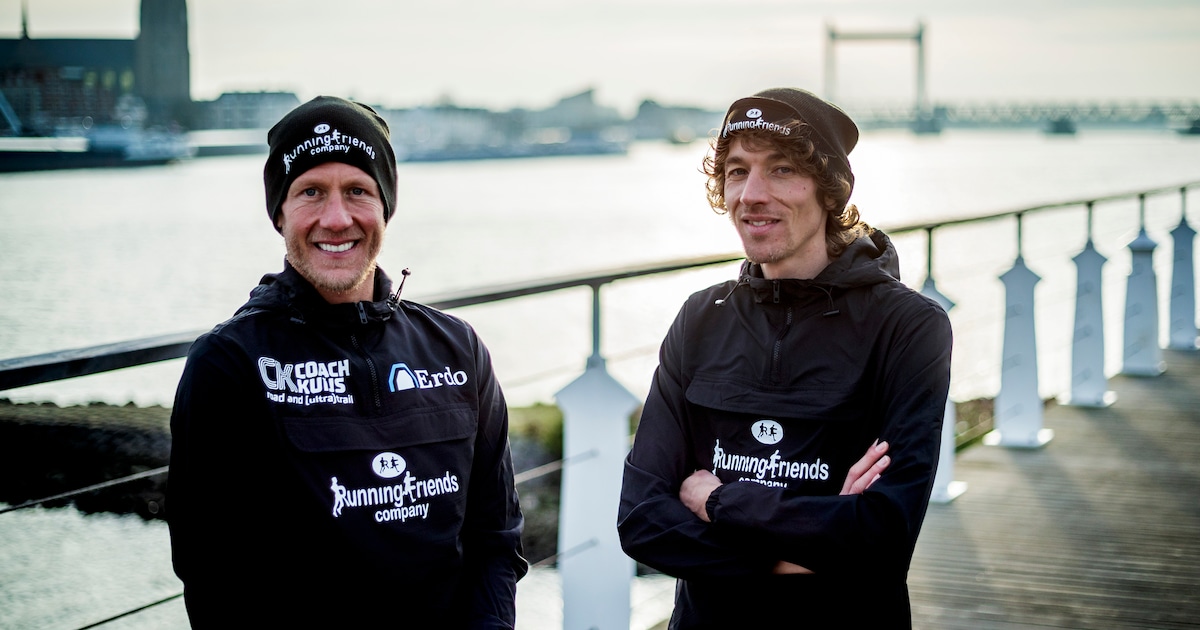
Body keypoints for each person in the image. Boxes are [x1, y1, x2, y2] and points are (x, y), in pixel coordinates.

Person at [167, 96, 527, 627]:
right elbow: (216, 581)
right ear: (280, 213)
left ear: (385, 207)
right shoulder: (229, 364)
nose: (336, 219)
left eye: (357, 191)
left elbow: (495, 542)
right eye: (311, 192)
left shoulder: (458, 349)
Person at [617, 88, 953, 628]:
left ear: (830, 190)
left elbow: (882, 533)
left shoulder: (908, 326)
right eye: (736, 170)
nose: (751, 194)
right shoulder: (701, 318)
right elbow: (641, 520)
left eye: (781, 169)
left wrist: (718, 502)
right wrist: (804, 551)